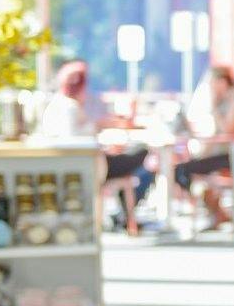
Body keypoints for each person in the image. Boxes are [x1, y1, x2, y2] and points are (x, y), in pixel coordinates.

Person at [38, 60, 152, 231]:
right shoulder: (69, 108)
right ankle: (127, 210)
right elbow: (74, 141)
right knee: (141, 152)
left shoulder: (61, 104)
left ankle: (126, 211)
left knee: (135, 155)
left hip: (84, 162)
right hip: (85, 165)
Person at [174, 64, 234, 231]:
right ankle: (217, 214)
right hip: (225, 152)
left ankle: (218, 214)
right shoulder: (225, 100)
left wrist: (213, 108)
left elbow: (228, 130)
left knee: (186, 170)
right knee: (185, 169)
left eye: (213, 83)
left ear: (222, 82)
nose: (211, 88)